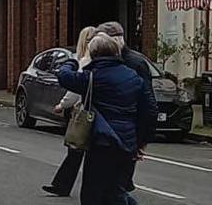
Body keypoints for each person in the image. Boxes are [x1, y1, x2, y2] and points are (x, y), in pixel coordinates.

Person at [57, 34, 157, 205]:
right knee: (117, 191)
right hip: (127, 142)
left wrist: (73, 62)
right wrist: (141, 142)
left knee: (93, 194)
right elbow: (149, 111)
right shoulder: (134, 77)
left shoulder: (92, 77)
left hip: (102, 142)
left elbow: (64, 77)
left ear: (94, 54)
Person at [98, 20, 156, 205]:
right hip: (112, 136)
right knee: (112, 189)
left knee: (115, 191)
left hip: (126, 135)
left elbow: (148, 105)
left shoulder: (134, 64)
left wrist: (142, 141)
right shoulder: (110, 61)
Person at [43, 25, 98, 197]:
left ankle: (62, 185)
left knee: (75, 149)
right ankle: (62, 185)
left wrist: (62, 104)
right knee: (86, 153)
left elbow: (75, 89)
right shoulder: (101, 61)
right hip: (99, 111)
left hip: (86, 111)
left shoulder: (83, 62)